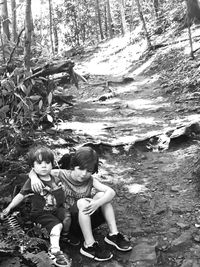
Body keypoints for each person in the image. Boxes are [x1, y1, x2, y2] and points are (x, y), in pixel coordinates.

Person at [29, 146, 132, 262]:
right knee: (83, 202)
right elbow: (37, 169)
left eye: (89, 171)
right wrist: (33, 178)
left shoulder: (91, 180)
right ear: (73, 166)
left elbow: (111, 192)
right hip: (69, 222)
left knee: (102, 196)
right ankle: (89, 245)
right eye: (81, 168)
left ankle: (113, 235)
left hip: (85, 219)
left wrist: (97, 203)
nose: (84, 174)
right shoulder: (60, 174)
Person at [2, 146, 72, 267]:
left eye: (47, 163)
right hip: (41, 213)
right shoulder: (33, 181)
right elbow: (21, 195)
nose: (44, 166)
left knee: (67, 217)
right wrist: (9, 208)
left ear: (52, 164)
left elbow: (61, 198)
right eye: (39, 163)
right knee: (57, 225)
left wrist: (58, 189)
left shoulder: (55, 178)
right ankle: (54, 250)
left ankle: (63, 237)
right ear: (33, 167)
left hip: (56, 209)